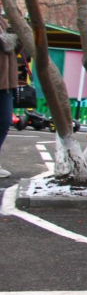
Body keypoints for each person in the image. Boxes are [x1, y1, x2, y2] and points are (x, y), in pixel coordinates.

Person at [0, 14, 21, 179]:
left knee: (4, 121)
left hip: (6, 84)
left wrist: (17, 32)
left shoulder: (3, 20)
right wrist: (8, 38)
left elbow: (14, 48)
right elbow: (6, 45)